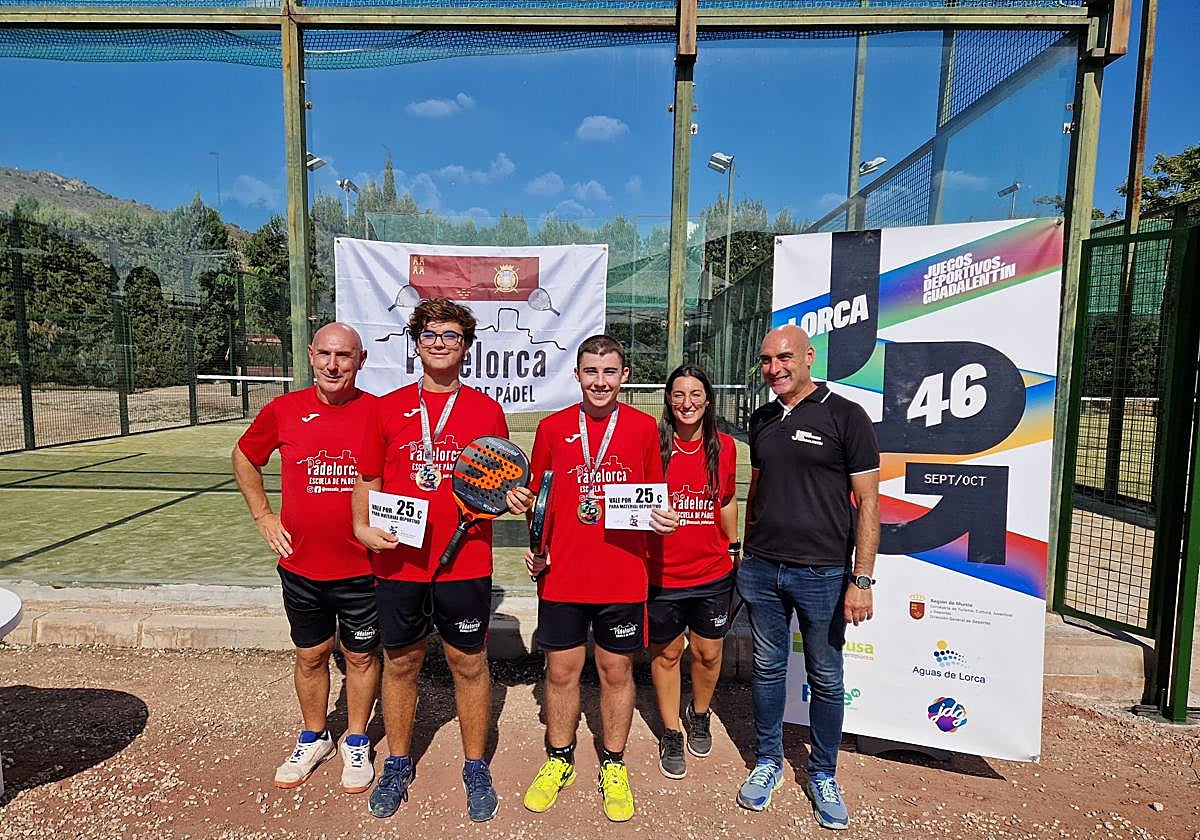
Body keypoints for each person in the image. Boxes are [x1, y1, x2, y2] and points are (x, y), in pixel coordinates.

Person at [351, 298, 531, 824]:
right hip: (400, 563)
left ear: (466, 347)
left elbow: (501, 484)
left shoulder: (485, 410)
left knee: (469, 664)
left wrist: (514, 499)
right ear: (416, 340)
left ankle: (476, 767)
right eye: (430, 333)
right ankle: (398, 763)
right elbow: (368, 481)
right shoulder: (385, 408)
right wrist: (362, 528)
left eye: (451, 335)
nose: (439, 342)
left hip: (466, 562)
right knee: (401, 662)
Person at [522, 334, 677, 823]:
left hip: (622, 576)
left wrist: (662, 517)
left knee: (616, 672)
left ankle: (613, 763)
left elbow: (656, 497)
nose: (600, 381)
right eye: (591, 371)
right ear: (577, 374)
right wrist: (534, 544)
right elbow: (538, 498)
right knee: (562, 672)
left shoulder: (643, 428)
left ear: (624, 375)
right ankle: (559, 759)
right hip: (564, 576)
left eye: (610, 371)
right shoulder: (551, 428)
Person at [736, 324, 879, 831]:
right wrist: (745, 553)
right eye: (766, 360)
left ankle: (822, 774)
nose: (773, 368)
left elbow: (868, 505)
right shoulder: (762, 419)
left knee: (825, 675)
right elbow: (758, 490)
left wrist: (861, 580)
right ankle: (769, 762)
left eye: (784, 358)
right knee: (769, 670)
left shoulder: (847, 416)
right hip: (761, 569)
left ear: (808, 357)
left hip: (823, 574)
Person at [232, 322, 380, 796]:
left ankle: (356, 740)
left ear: (361, 360)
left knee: (359, 656)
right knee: (311, 654)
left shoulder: (381, 413)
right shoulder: (283, 409)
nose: (334, 365)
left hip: (364, 569)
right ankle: (314, 737)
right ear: (312, 356)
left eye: (345, 356)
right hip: (301, 566)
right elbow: (244, 456)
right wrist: (263, 516)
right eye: (326, 354)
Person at [648, 364, 739, 780]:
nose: (688, 403)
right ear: (669, 399)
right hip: (662, 575)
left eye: (696, 395)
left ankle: (698, 713)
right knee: (667, 653)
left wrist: (733, 546)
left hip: (712, 573)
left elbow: (725, 500)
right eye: (679, 395)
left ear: (708, 399)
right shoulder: (652, 442)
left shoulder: (725, 446)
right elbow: (632, 500)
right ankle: (670, 731)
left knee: (708, 652)